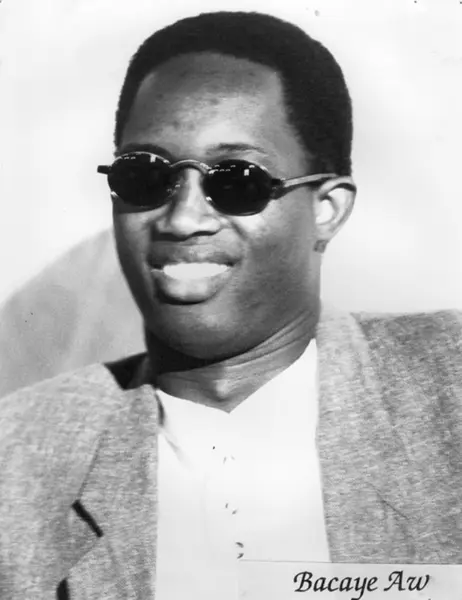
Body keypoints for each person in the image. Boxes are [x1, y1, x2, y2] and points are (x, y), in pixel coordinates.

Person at [1, 10, 461, 600]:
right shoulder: (18, 460)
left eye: (236, 180)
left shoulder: (447, 386)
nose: (183, 219)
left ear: (327, 209)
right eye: (145, 177)